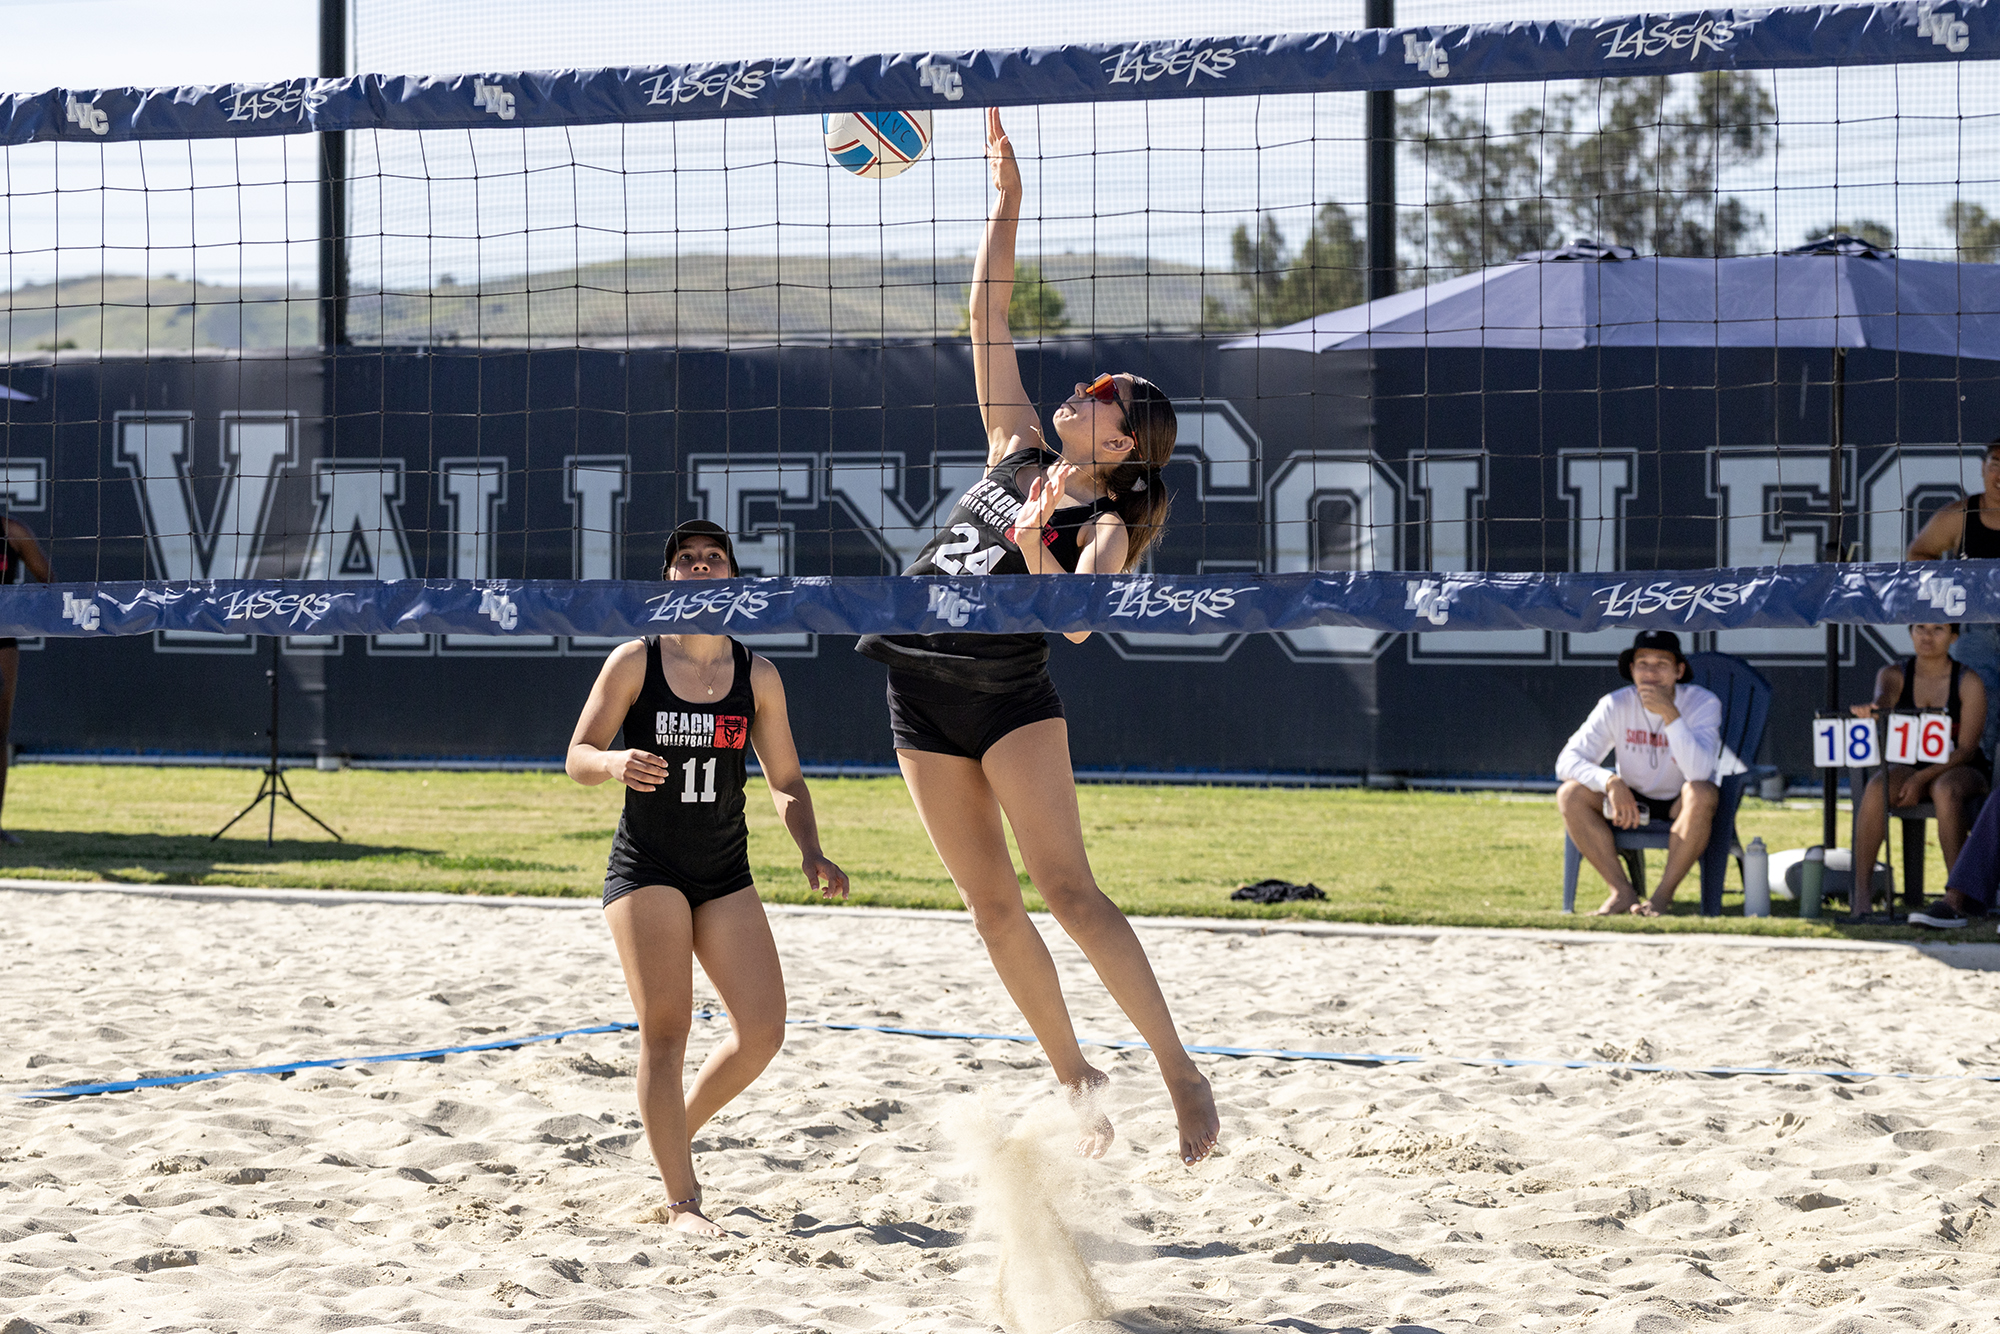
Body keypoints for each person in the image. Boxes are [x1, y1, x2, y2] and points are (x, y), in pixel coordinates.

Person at [853, 107, 1219, 1167]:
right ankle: (1076, 1078)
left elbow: (1079, 624)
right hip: (916, 686)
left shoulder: (1101, 517)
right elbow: (986, 320)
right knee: (990, 907)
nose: (1080, 388)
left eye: (1100, 395)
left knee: (1068, 892)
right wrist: (1007, 205)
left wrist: (1036, 543)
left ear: (1122, 443)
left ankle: (1177, 1066)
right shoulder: (1011, 443)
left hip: (1006, 697)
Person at [566, 519, 848, 1237]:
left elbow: (785, 778)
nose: (697, 566)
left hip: (724, 870)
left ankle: (673, 1129)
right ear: (668, 579)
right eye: (685, 559)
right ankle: (683, 1201)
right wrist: (613, 764)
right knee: (667, 1031)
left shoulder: (756, 675)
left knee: (762, 1030)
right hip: (648, 867)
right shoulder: (636, 661)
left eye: (712, 558)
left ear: (732, 578)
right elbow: (577, 753)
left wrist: (811, 851)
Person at [1555, 630, 1722, 916]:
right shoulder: (1616, 703)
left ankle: (1661, 897)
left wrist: (1670, 715)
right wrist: (1609, 780)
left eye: (1661, 664)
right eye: (1642, 663)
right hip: (1629, 800)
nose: (1650, 673)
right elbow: (1566, 761)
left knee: (1702, 792)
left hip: (1678, 802)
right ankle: (1621, 892)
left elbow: (1698, 772)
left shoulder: (1703, 703)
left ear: (1679, 671)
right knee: (1569, 794)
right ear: (1631, 670)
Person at [1846, 623, 1989, 923]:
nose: (1927, 636)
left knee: (1944, 790)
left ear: (1954, 637)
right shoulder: (1894, 673)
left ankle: (1957, 897)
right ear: (1910, 632)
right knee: (1876, 788)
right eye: (1920, 628)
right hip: (1912, 765)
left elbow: (1966, 749)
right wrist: (1874, 710)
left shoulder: (1968, 680)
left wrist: (1920, 779)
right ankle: (1861, 897)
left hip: (1961, 768)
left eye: (1938, 629)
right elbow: (1884, 699)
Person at [1905, 436, 2000, 762]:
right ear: (1983, 469)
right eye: (1996, 464)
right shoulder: (1960, 515)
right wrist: (1952, 583)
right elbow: (1918, 552)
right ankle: (1980, 801)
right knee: (1981, 721)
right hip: (1975, 631)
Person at [0, 514, 51, 844]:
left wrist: (20, 611)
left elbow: (47, 581)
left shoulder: (13, 532)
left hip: (2, 638)